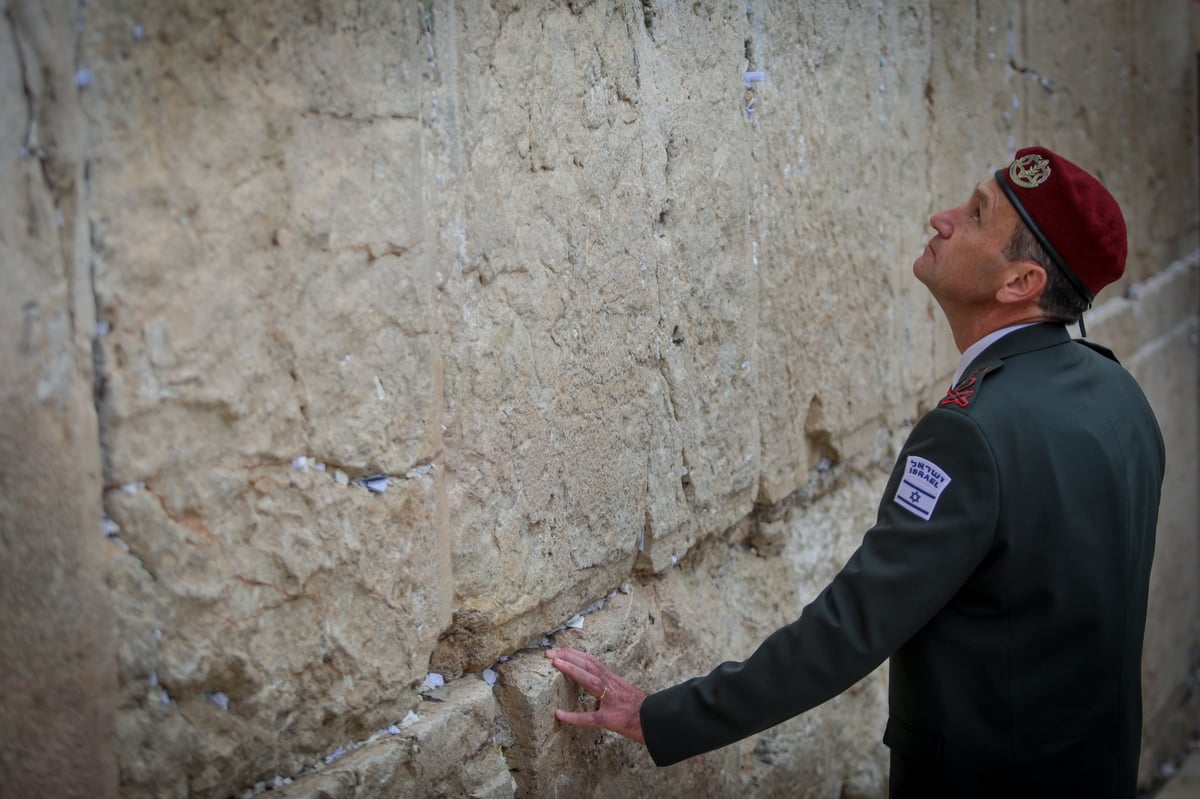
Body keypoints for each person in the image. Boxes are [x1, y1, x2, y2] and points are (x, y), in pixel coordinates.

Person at [545, 146, 1166, 798]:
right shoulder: (1119, 394)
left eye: (977, 215)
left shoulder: (969, 432)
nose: (943, 217)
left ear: (1019, 284)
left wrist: (663, 716)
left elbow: (849, 629)